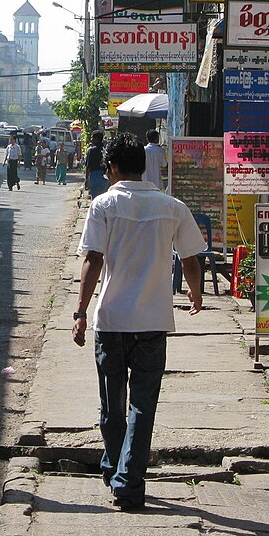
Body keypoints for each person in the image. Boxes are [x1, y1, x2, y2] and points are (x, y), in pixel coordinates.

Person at [71, 133, 204, 511]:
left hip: (111, 320)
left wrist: (80, 313)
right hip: (152, 322)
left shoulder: (104, 205)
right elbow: (191, 259)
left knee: (113, 408)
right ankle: (123, 473)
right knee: (142, 406)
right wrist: (195, 294)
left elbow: (92, 260)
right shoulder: (172, 206)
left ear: (111, 168)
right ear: (143, 167)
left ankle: (122, 475)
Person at [84, 130, 108, 199]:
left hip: (94, 176)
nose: (91, 139)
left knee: (95, 199)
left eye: (92, 138)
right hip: (105, 177)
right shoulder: (105, 150)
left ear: (96, 139)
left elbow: (88, 166)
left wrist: (86, 180)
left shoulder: (91, 150)